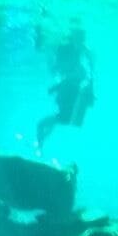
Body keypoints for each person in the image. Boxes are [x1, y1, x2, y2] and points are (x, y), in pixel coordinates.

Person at [38, 18, 95, 149]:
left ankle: (40, 147)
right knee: (46, 124)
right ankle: (40, 146)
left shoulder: (74, 67)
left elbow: (76, 76)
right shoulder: (73, 65)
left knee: (44, 124)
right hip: (71, 88)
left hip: (71, 89)